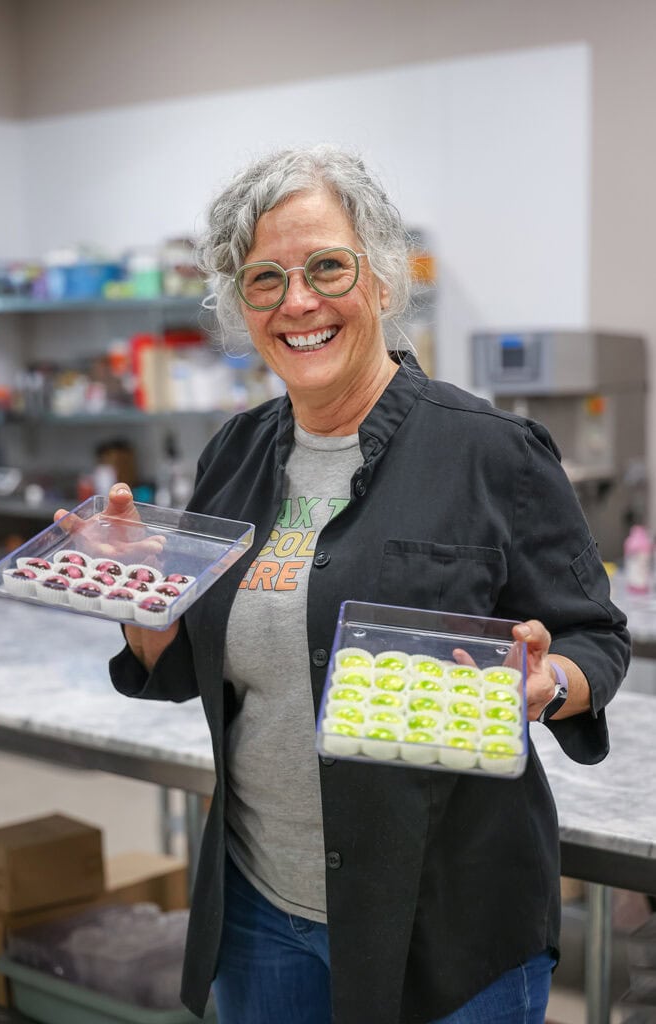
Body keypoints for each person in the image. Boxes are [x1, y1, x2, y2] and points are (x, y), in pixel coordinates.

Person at [77, 145, 630, 1024]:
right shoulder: (234, 455)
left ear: (378, 278)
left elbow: (593, 638)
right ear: (241, 307)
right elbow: (190, 668)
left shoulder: (491, 453)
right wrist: (143, 604)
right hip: (258, 906)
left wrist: (547, 682)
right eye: (264, 279)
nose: (297, 302)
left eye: (326, 267)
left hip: (446, 920)